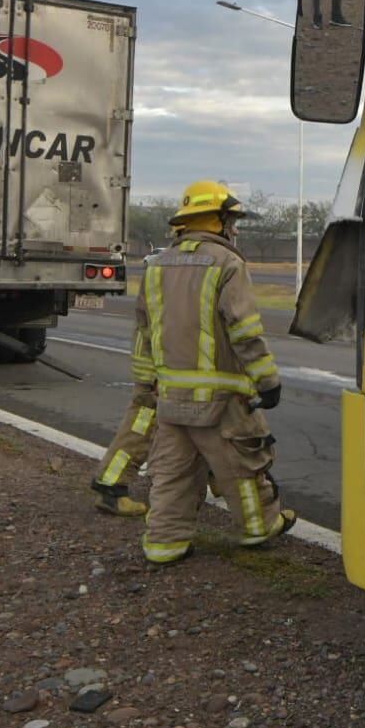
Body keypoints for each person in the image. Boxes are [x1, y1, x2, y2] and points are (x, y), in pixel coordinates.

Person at [136, 180, 295, 564]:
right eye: (232, 221)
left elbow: (144, 331)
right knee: (240, 466)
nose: (235, 229)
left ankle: (164, 544)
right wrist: (268, 381)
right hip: (221, 398)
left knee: (172, 472)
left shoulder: (156, 266)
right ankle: (258, 529)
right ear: (217, 221)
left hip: (171, 397)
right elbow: (243, 330)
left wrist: (147, 384)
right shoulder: (227, 263)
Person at [89, 397, 154, 517]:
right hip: (154, 388)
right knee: (140, 431)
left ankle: (110, 486)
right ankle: (111, 490)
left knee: (143, 426)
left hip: (155, 386)